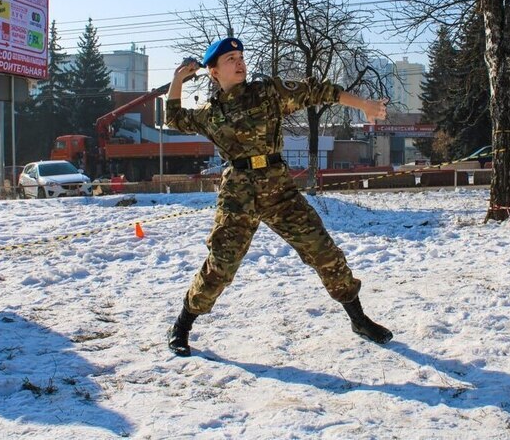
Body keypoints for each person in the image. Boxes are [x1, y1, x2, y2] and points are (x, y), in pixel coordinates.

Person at [165, 37, 393, 357]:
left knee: (322, 249)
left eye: (240, 56)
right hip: (238, 194)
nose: (239, 61)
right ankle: (183, 324)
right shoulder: (209, 113)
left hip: (279, 190)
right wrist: (178, 80)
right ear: (214, 72)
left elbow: (317, 91)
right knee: (222, 265)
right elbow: (174, 117)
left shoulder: (268, 92)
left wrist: (364, 105)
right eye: (230, 59)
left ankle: (358, 319)